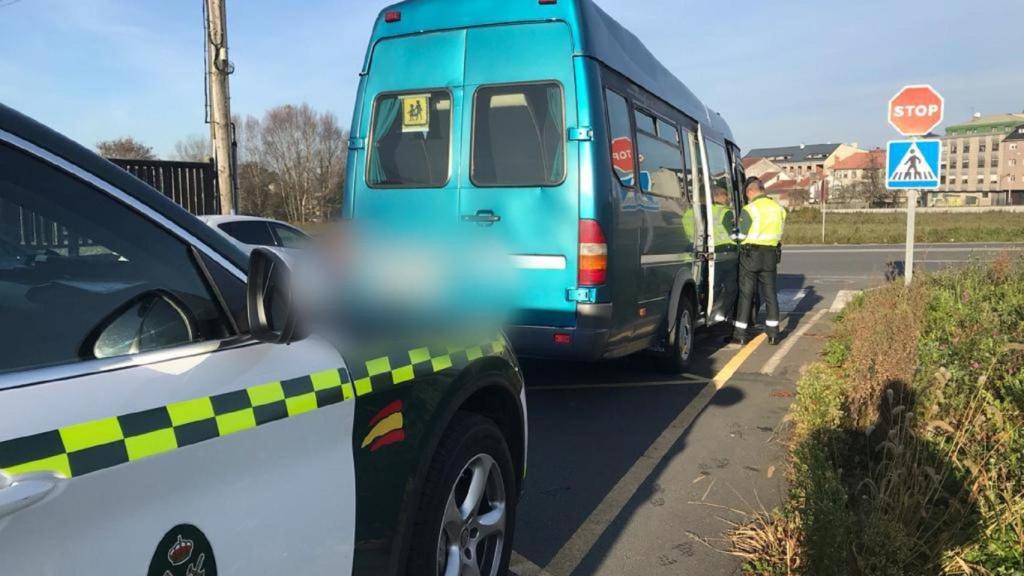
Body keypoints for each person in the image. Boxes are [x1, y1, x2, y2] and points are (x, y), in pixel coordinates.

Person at [731, 177, 787, 345]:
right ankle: (773, 334)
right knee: (770, 294)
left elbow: (740, 236)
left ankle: (740, 334)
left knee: (746, 294)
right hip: (770, 254)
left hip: (750, 255)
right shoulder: (779, 209)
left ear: (750, 192)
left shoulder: (750, 209)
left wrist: (733, 233)